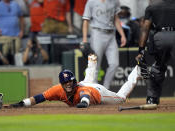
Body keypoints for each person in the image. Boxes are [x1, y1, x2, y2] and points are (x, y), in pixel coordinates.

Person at [10, 54, 141, 108]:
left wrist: (84, 103)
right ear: (61, 84)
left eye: (70, 82)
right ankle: (91, 60)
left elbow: (85, 96)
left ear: (74, 81)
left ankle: (137, 69)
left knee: (121, 98)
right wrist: (22, 103)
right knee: (87, 79)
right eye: (65, 82)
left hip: (97, 93)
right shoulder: (57, 90)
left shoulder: (81, 90)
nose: (68, 84)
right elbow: (39, 97)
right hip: (85, 85)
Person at [135, 0, 175, 104]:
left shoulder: (152, 7)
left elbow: (145, 29)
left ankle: (152, 98)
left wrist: (141, 50)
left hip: (160, 37)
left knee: (158, 68)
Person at [81, 0, 127, 89]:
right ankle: (93, 90)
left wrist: (122, 35)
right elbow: (86, 20)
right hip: (97, 33)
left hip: (111, 34)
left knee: (114, 64)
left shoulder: (114, 1)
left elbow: (116, 18)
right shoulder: (91, 2)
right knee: (95, 64)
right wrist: (84, 40)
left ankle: (105, 89)